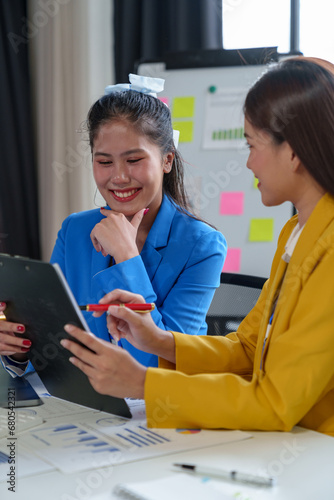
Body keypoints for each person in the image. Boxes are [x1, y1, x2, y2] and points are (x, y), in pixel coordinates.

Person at [60, 57, 334, 436]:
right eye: (104, 161)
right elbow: (247, 349)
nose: (249, 163)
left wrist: (145, 383)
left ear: (294, 151)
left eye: (252, 145)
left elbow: (274, 401)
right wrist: (159, 340)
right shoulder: (296, 231)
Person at [0, 73, 226, 373]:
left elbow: (167, 364)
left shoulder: (203, 246)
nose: (118, 177)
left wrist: (126, 257)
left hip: (157, 408)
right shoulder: (75, 231)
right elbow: (53, 357)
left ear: (167, 160)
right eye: (104, 162)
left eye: (133, 160)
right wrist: (19, 351)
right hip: (85, 408)